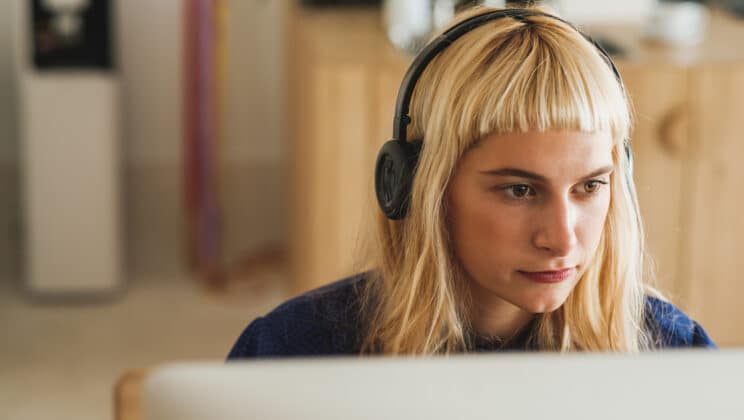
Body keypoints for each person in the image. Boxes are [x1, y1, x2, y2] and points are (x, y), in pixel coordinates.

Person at [228, 5, 715, 358]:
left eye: (589, 186)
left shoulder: (673, 354)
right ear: (420, 188)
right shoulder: (289, 353)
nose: (562, 237)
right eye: (520, 190)